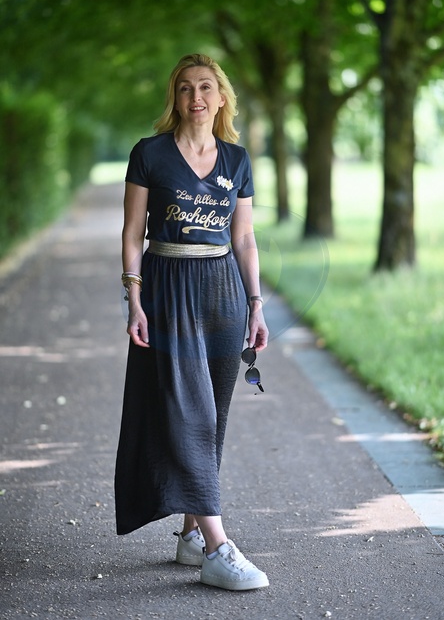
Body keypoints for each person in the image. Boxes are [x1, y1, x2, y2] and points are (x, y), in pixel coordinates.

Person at [114, 53, 269, 591]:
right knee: (188, 414)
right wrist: (134, 299)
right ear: (175, 98)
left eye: (206, 87)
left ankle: (191, 536)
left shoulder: (237, 159)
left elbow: (243, 237)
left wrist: (256, 303)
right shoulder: (149, 154)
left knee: (214, 418)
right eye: (185, 88)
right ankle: (220, 548)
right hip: (168, 289)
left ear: (222, 98)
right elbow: (133, 232)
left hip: (223, 292)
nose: (196, 97)